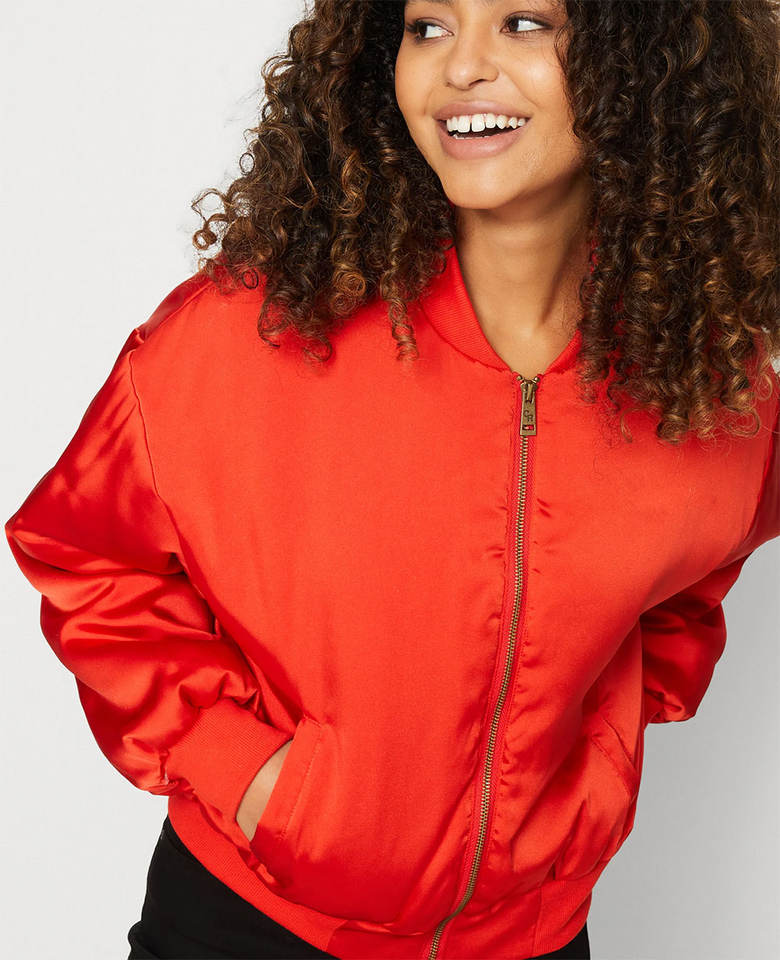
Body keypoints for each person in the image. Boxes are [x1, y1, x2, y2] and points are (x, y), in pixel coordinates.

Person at [5, 0, 779, 958]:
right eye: (428, 26)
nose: (462, 66)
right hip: (249, 927)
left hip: (531, 940)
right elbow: (83, 554)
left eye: (525, 23)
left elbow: (694, 579)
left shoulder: (707, 383)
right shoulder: (258, 332)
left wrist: (600, 763)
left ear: (646, 60)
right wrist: (251, 776)